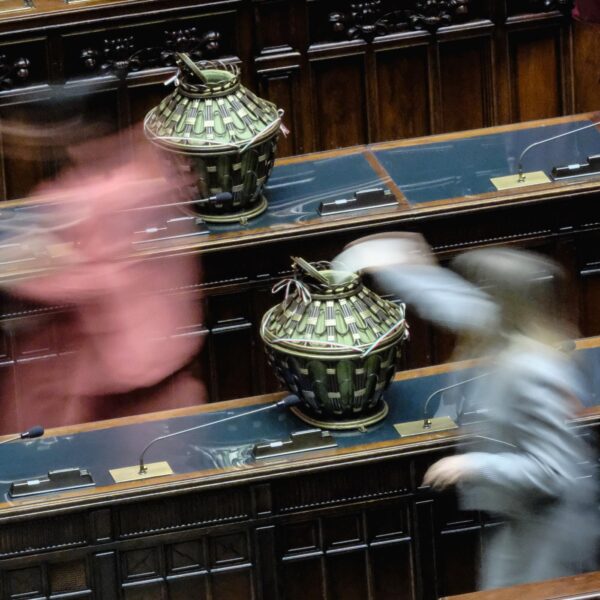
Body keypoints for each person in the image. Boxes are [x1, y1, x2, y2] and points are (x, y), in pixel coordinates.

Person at [335, 235, 598, 590]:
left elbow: (554, 470)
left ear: (504, 301)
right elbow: (452, 303)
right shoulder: (507, 326)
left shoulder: (535, 370)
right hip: (525, 519)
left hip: (553, 530)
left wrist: (472, 465)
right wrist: (402, 267)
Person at [0, 133, 206, 433]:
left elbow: (94, 278)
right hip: (153, 389)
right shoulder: (155, 168)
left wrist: (19, 269)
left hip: (141, 405)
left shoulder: (109, 193)